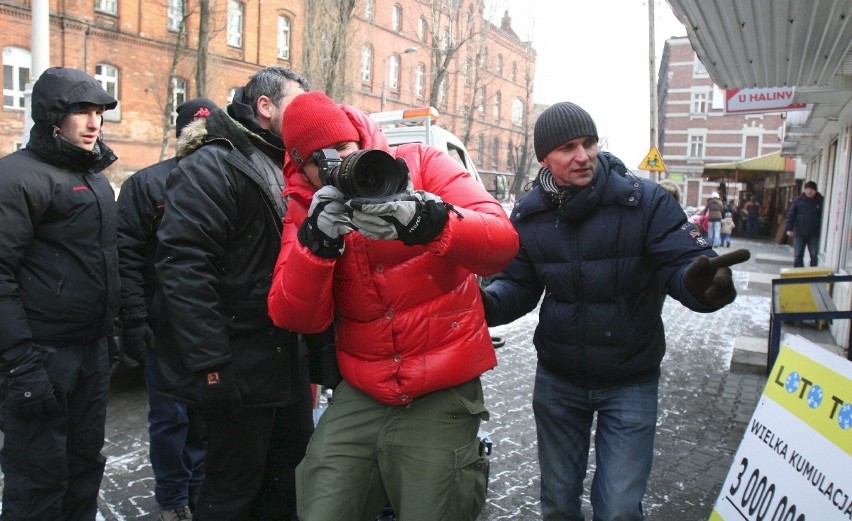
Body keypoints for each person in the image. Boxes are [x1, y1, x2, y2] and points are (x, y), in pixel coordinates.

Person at [479, 101, 750, 521]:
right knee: (557, 504)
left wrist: (702, 288)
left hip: (630, 379)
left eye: (588, 143)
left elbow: (683, 264)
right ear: (544, 158)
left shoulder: (646, 202)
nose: (583, 156)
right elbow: (518, 285)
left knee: (620, 509)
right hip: (558, 378)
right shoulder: (530, 215)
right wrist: (486, 304)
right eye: (568, 147)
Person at [267, 91, 519, 521]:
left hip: (441, 385)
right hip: (363, 388)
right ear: (303, 169)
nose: (337, 163)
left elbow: (501, 243)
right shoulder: (306, 207)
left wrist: (431, 220)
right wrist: (317, 245)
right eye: (318, 158)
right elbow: (293, 315)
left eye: (344, 148)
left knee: (435, 506)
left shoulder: (422, 163)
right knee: (322, 503)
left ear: (359, 139)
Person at [151, 67, 312, 521]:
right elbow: (184, 269)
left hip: (279, 359)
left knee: (284, 483)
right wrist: (211, 365)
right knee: (232, 490)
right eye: (296, 103)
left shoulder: (281, 161)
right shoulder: (213, 162)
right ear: (265, 107)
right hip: (238, 366)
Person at [0, 67, 118, 520]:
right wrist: (21, 362)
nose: (94, 123)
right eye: (81, 112)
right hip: (42, 358)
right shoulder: (18, 178)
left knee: (85, 466)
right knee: (38, 480)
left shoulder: (95, 178)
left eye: (99, 113)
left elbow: (104, 260)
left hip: (91, 353)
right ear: (53, 117)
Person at [116, 97, 218, 521]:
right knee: (171, 418)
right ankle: (175, 498)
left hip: (207, 325)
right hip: (165, 327)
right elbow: (127, 256)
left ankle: (195, 491)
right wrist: (136, 320)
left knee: (203, 417)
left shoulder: (221, 180)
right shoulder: (148, 184)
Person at [785, 180, 824, 267]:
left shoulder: (821, 201)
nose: (809, 192)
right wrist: (789, 228)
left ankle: (812, 274)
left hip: (814, 234)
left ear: (815, 190)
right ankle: (798, 275)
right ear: (805, 190)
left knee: (814, 255)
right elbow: (791, 215)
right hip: (799, 233)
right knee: (798, 255)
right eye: (807, 189)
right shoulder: (798, 200)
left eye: (811, 190)